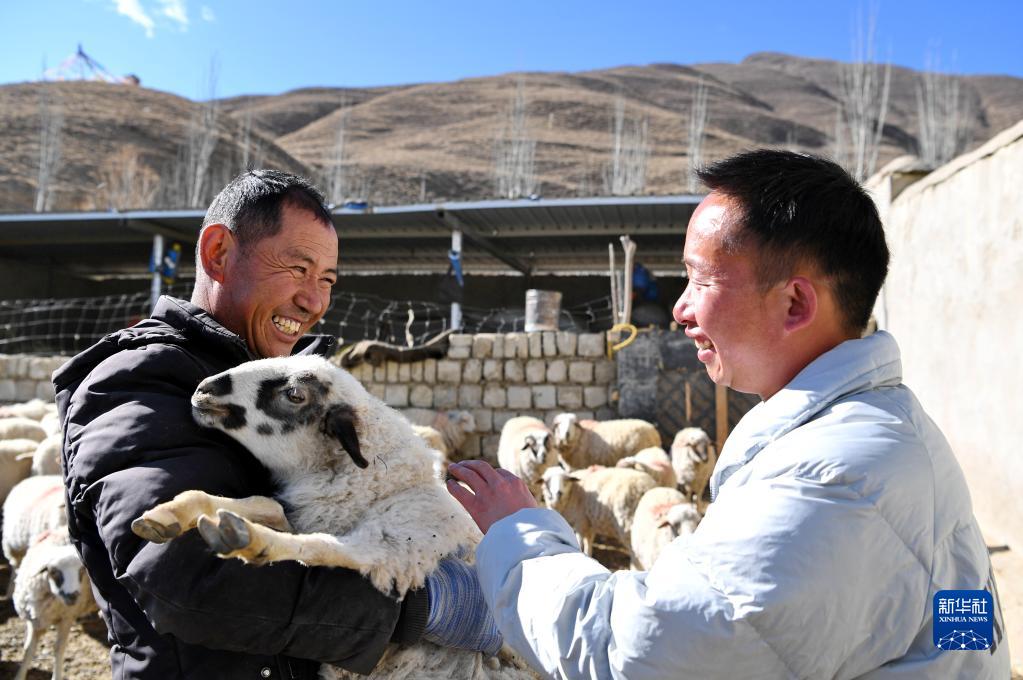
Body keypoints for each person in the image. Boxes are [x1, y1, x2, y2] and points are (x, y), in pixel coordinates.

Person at [446, 150, 1010, 678]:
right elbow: (954, 631)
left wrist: (520, 538)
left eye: (701, 280)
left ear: (795, 303)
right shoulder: (888, 433)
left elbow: (639, 652)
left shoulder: (833, 479)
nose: (680, 309)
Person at [53, 170, 500, 679]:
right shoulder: (138, 387)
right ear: (218, 253)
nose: (314, 300)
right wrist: (419, 606)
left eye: (327, 280)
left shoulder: (294, 393)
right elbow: (189, 579)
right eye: (297, 268)